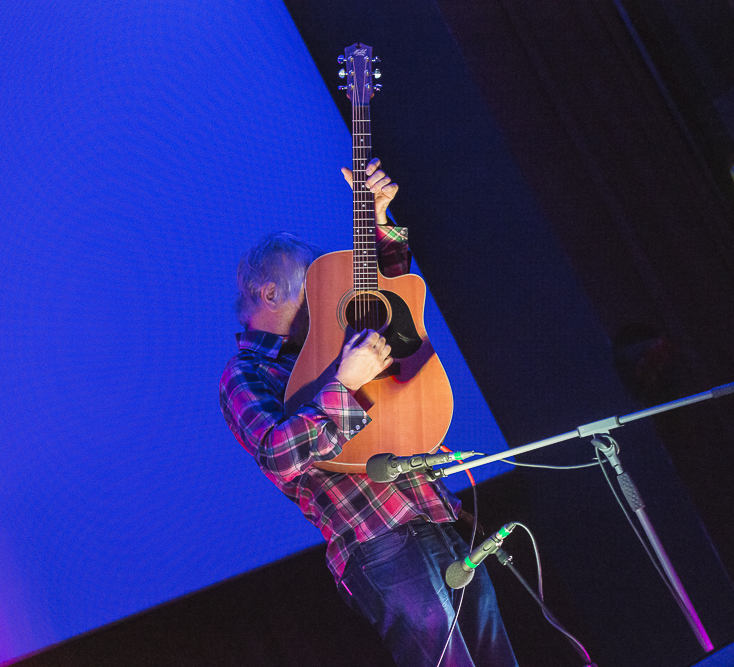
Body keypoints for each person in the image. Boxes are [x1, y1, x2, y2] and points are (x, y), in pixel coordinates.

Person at [219, 158, 519, 666]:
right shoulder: (244, 373)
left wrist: (381, 219)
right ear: (269, 293)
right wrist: (345, 383)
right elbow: (280, 455)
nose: (322, 296)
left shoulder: (333, 342)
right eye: (308, 286)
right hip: (377, 541)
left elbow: (395, 292)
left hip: (434, 512)